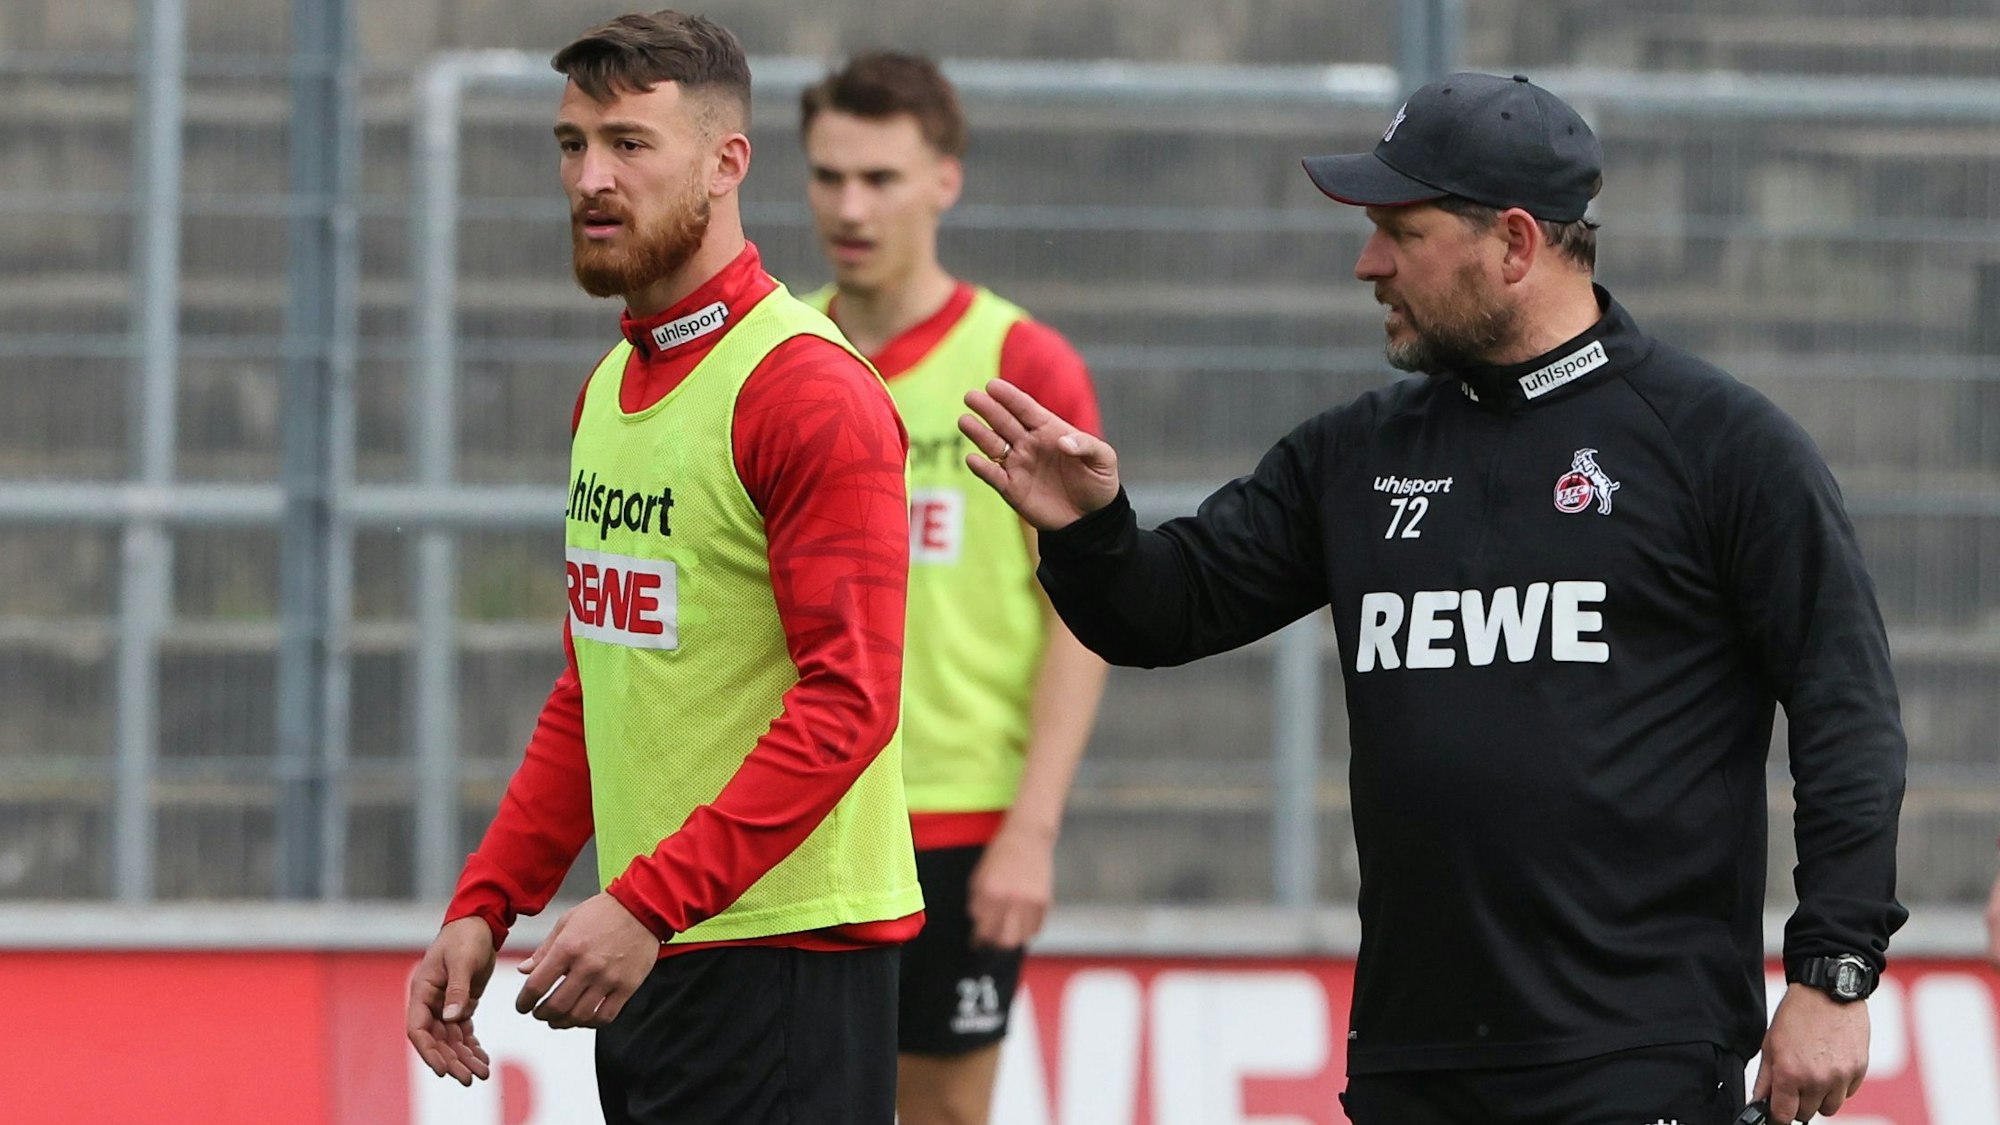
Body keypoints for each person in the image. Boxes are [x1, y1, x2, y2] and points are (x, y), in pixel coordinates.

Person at [961, 72, 1906, 1125]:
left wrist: (1833, 970)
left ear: (1511, 245)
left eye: (1396, 233)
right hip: (1413, 1062)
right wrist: (1088, 531)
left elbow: (1845, 712)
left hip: (1634, 1057)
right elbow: (1163, 611)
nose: (1366, 264)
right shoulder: (1357, 453)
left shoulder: (1719, 447)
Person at [403, 11, 923, 1124]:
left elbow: (853, 701)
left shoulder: (802, 391)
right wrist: (486, 903)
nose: (591, 177)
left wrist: (644, 902)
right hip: (656, 951)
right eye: (571, 144)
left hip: (784, 962)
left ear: (727, 161)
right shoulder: (610, 390)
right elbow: (597, 681)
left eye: (630, 144)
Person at [796, 53, 1109, 1125]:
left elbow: (1083, 613)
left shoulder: (1020, 362)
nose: (849, 206)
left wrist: (1031, 829)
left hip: (957, 823)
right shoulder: (770, 355)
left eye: (879, 178)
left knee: (939, 1112)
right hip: (795, 820)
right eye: (828, 176)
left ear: (944, 180)